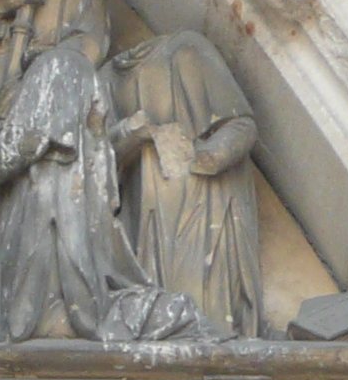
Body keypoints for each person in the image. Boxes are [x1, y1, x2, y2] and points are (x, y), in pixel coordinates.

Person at [0, 0, 203, 345]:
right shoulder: (65, 77)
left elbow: (24, 144)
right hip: (42, 236)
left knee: (45, 330)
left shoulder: (60, 67)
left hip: (51, 242)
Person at [112, 29, 262, 336]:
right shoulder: (104, 79)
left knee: (204, 309)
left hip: (202, 200)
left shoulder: (185, 49)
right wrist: (129, 134)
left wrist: (207, 156)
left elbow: (241, 125)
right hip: (146, 213)